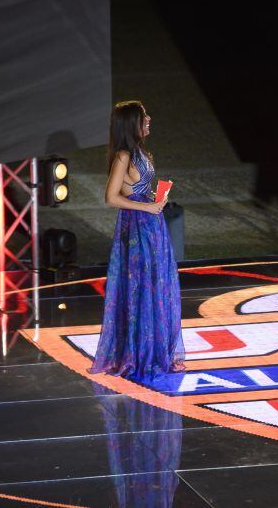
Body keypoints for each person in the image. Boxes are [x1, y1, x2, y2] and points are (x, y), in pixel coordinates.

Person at [89, 100, 185, 380]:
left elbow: (137, 189)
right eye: (144, 117)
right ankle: (137, 355)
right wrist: (147, 207)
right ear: (132, 123)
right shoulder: (123, 156)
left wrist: (156, 198)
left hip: (152, 225)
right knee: (139, 286)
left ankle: (154, 351)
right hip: (136, 227)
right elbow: (111, 197)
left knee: (155, 284)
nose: (149, 119)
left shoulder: (140, 151)